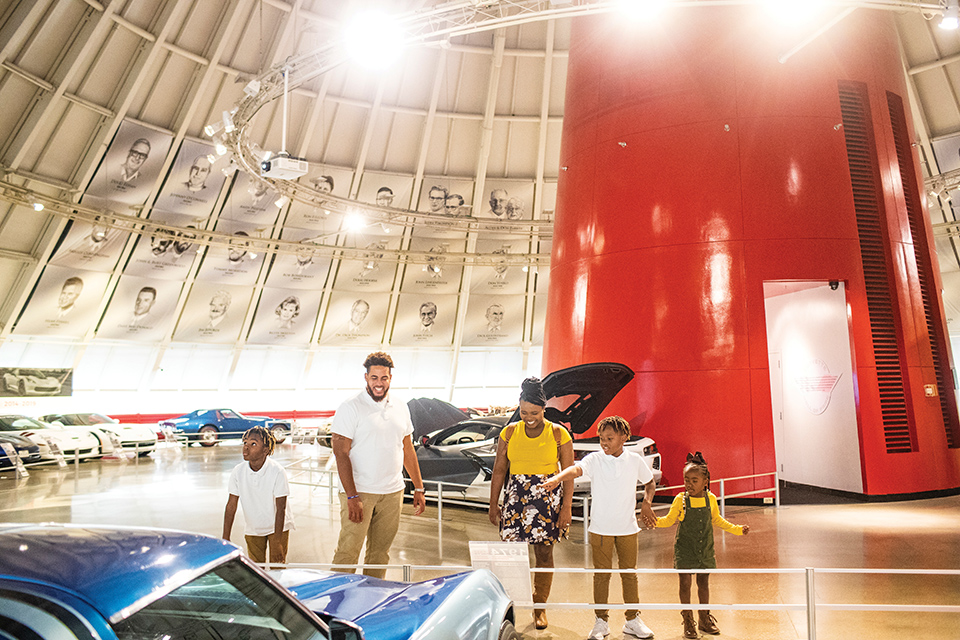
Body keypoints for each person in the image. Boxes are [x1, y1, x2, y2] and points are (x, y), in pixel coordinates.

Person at [543, 416, 657, 640]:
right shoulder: (594, 459)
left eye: (609, 438)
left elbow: (650, 482)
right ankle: (601, 622)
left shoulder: (634, 460)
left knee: (629, 575)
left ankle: (633, 620)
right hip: (600, 529)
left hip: (627, 528)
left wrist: (646, 503)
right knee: (601, 575)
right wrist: (557, 478)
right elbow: (576, 470)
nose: (604, 442)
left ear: (624, 438)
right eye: (602, 438)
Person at [330, 352, 426, 578]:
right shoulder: (350, 407)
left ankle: (371, 600)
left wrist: (419, 487)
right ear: (366, 378)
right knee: (348, 552)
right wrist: (352, 496)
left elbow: (407, 448)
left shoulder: (400, 406)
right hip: (360, 492)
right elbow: (340, 453)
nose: (379, 384)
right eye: (374, 378)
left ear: (390, 378)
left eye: (384, 378)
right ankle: (334, 603)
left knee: (380, 554)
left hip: (392, 492)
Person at [488, 377, 573, 630]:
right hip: (516, 499)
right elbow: (499, 470)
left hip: (548, 501)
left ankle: (540, 608)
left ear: (544, 409)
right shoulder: (510, 431)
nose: (529, 417)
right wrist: (494, 504)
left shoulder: (558, 433)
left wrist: (566, 507)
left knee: (544, 554)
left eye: (534, 412)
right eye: (524, 412)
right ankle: (509, 607)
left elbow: (569, 473)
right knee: (512, 556)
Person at [655, 452, 750, 639]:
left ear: (705, 481)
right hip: (685, 549)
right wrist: (653, 521)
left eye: (694, 480)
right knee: (684, 584)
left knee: (703, 583)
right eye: (686, 480)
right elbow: (668, 521)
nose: (689, 484)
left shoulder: (711, 499)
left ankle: (704, 619)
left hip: (705, 548)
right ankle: (688, 621)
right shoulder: (680, 500)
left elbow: (718, 520)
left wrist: (738, 530)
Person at [222, 427, 295, 564]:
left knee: (277, 567)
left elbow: (281, 508)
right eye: (245, 443)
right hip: (253, 528)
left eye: (253, 444)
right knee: (256, 569)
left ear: (265, 450)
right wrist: (225, 537)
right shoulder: (238, 471)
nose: (246, 448)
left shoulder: (277, 471)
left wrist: (278, 543)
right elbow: (231, 505)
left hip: (278, 528)